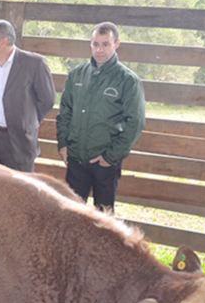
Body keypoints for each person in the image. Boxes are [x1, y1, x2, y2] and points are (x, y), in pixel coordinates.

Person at [56, 21, 146, 212]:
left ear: (116, 44)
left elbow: (136, 122)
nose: (100, 49)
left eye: (106, 44)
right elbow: (65, 111)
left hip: (104, 162)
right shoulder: (78, 74)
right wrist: (63, 144)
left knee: (103, 219)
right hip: (76, 160)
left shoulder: (128, 80)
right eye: (95, 44)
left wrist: (111, 157)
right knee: (71, 215)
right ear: (90, 43)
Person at [0, 19, 56, 172]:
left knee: (19, 192)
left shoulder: (34, 63)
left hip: (18, 141)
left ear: (3, 42)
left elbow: (47, 100)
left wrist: (27, 123)